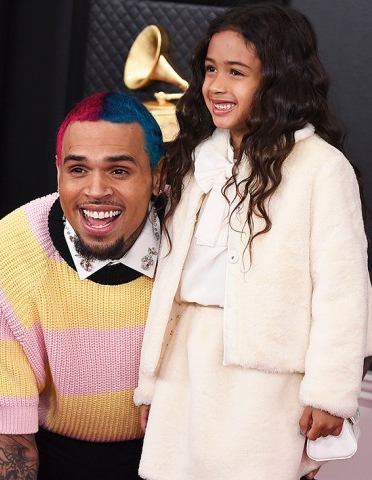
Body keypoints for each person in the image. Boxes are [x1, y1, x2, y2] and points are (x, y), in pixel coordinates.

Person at [133, 3, 372, 480]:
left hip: (264, 379)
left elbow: (342, 289)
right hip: (185, 363)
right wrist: (150, 385)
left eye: (236, 72)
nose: (217, 86)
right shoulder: (200, 161)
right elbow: (171, 287)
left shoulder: (320, 167)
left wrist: (329, 391)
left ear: (278, 80)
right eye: (210, 70)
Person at [0, 91, 165, 480]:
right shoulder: (7, 252)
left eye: (119, 170)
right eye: (78, 170)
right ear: (58, 171)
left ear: (158, 177)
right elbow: (13, 439)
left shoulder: (197, 241)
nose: (96, 190)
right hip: (56, 458)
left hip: (176, 455)